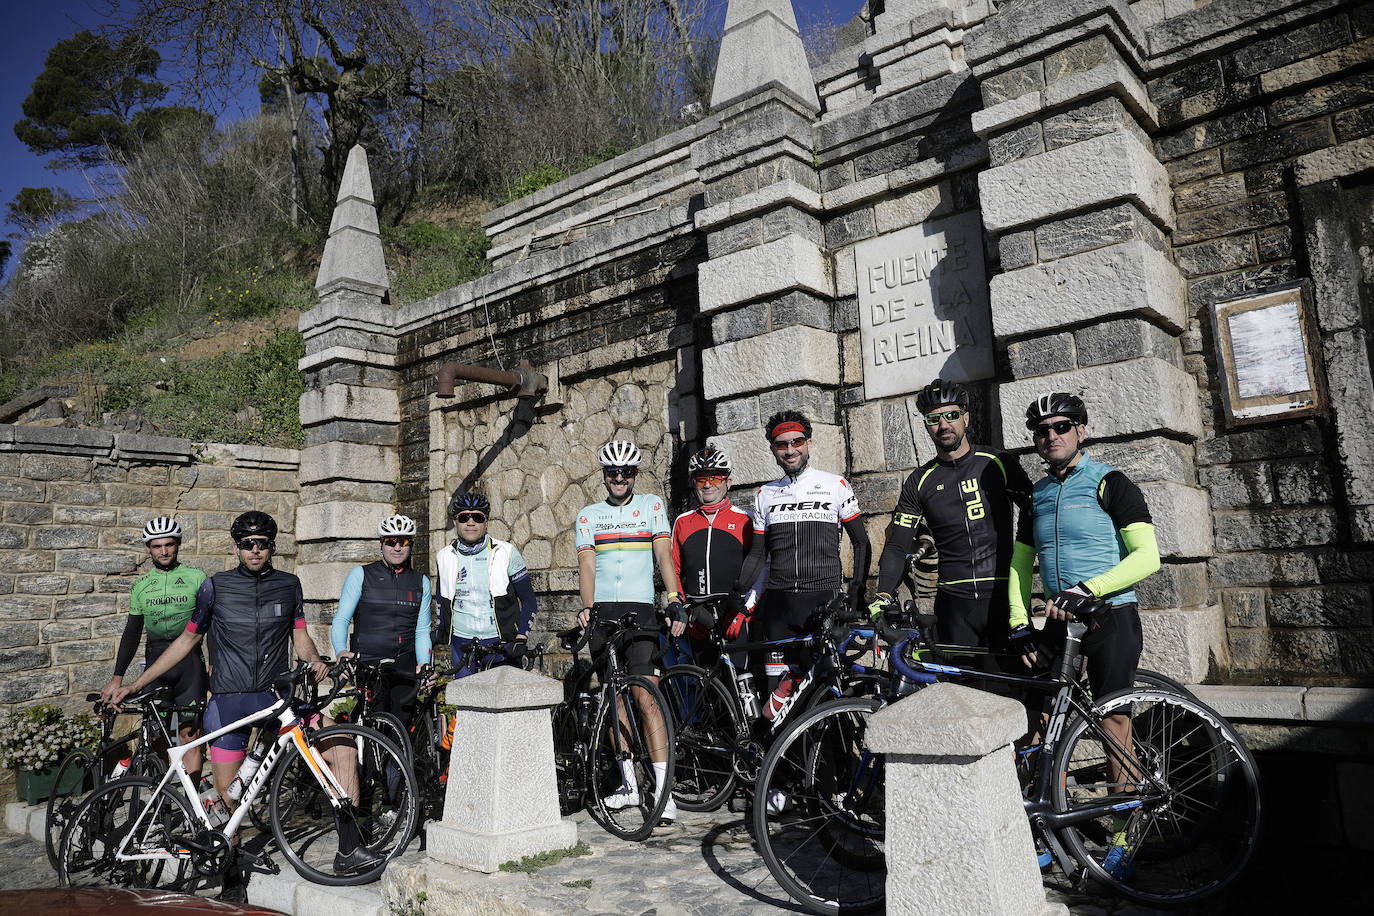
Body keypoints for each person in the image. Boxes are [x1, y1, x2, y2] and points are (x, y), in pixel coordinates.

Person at [112, 511, 380, 875]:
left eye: (262, 544)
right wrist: (135, 682)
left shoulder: (289, 584)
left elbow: (299, 634)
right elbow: (188, 639)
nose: (254, 551)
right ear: (236, 548)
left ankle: (350, 849)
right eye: (247, 545)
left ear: (272, 547)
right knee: (230, 800)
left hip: (275, 698)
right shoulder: (214, 586)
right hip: (229, 702)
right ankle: (230, 876)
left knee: (344, 746)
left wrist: (315, 660)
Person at [1008, 391, 1160, 879]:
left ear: (1082, 430)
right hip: (1057, 620)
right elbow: (1019, 564)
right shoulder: (1036, 493)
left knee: (1115, 722)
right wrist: (1017, 621)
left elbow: (1147, 557)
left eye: (1061, 427)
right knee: (1036, 718)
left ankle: (1123, 831)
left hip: (1109, 615)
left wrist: (1088, 588)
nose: (1050, 436)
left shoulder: (1109, 482)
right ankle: (1045, 825)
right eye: (1041, 431)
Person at [868, 378, 1033, 671]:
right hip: (955, 605)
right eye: (933, 419)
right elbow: (897, 543)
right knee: (962, 702)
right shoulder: (920, 480)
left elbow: (1037, 517)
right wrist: (883, 593)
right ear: (926, 425)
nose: (943, 424)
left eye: (951, 415)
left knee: (1019, 695)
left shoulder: (998, 462)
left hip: (1004, 598)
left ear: (966, 418)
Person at [729, 411, 870, 719]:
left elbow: (861, 542)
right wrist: (739, 599)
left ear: (809, 443)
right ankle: (782, 766)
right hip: (779, 607)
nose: (790, 450)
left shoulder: (835, 485)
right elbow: (757, 557)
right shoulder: (765, 494)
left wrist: (858, 593)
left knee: (825, 695)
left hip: (822, 602)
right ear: (772, 449)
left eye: (797, 442)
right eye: (782, 445)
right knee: (776, 702)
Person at [575, 439, 685, 826]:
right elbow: (587, 567)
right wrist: (588, 607)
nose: (619, 478)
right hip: (604, 612)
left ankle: (663, 790)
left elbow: (663, 555)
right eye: (612, 472)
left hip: (640, 610)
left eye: (625, 472)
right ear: (604, 476)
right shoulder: (589, 515)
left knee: (645, 696)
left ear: (635, 474)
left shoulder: (651, 506)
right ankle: (627, 786)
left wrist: (673, 596)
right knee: (614, 699)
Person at [100, 517, 208, 777]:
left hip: (190, 662)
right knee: (155, 733)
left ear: (178, 544)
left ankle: (190, 805)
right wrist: (117, 679)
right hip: (156, 659)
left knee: (189, 733)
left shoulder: (197, 578)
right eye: (157, 546)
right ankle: (163, 792)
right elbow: (132, 632)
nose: (164, 551)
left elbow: (211, 625)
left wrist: (213, 667)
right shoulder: (141, 585)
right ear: (148, 549)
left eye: (169, 545)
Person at [331, 515, 432, 721]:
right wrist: (341, 651)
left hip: (404, 664)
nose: (397, 548)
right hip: (368, 663)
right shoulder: (360, 574)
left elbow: (422, 630)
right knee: (372, 725)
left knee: (401, 727)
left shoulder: (420, 581)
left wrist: (424, 663)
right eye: (391, 542)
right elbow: (341, 619)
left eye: (403, 542)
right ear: (381, 544)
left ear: (410, 545)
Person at [669, 445, 761, 674]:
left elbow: (760, 570)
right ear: (693, 484)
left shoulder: (745, 520)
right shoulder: (682, 522)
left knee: (741, 687)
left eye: (714, 478)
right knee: (705, 690)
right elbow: (674, 570)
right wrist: (685, 609)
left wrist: (745, 612)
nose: (707, 485)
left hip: (735, 615)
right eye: (700, 480)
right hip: (698, 618)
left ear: (728, 482)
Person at [434, 493, 538, 677]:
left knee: (503, 702)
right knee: (464, 702)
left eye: (478, 517)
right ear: (455, 521)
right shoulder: (443, 556)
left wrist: (521, 637)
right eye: (464, 517)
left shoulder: (506, 552)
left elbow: (529, 600)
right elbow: (442, 600)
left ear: (486, 521)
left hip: (500, 644)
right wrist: (440, 632)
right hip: (462, 644)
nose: (471, 522)